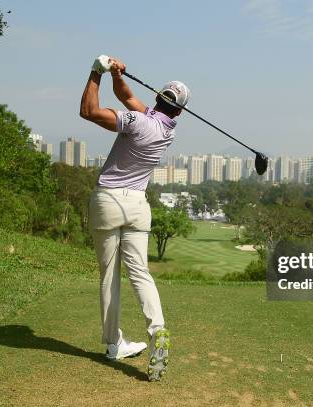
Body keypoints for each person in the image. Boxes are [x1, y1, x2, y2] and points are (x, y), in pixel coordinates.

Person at [79, 54, 190, 381]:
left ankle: (114, 343)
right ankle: (158, 331)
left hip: (108, 201)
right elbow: (128, 96)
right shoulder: (166, 128)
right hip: (138, 206)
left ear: (158, 97)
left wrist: (96, 72)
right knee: (140, 272)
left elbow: (88, 111)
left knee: (109, 275)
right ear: (179, 111)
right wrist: (117, 74)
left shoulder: (138, 121)